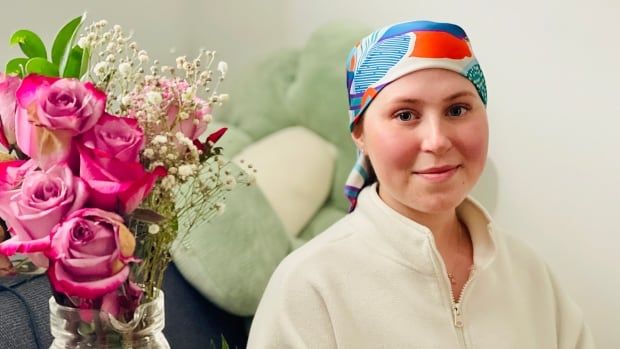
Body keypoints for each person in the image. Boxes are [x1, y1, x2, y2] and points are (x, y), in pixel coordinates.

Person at [247, 20, 595, 348]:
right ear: (360, 134)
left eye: (457, 110)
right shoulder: (310, 286)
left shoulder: (527, 274)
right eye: (405, 115)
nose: (437, 140)